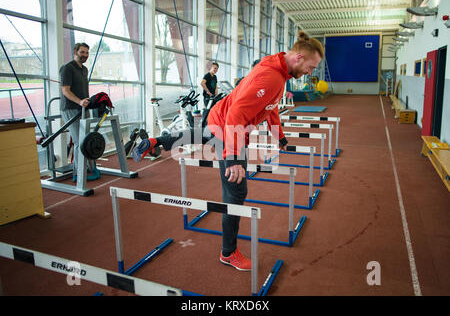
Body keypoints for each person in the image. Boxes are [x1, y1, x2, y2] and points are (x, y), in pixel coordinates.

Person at [133, 31, 324, 271]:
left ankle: (157, 141)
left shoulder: (278, 69)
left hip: (218, 120)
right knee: (236, 191)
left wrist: (280, 136)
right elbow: (237, 114)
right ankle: (228, 252)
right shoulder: (272, 77)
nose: (312, 71)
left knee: (202, 137)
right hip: (228, 128)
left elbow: (270, 107)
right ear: (298, 57)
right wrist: (233, 158)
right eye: (311, 66)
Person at [60, 42, 100, 182]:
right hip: (71, 108)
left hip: (83, 108)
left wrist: (87, 102)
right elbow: (65, 90)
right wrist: (79, 102)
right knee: (79, 141)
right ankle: (78, 173)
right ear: (75, 51)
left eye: (87, 53)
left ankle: (90, 167)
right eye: (82, 52)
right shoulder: (67, 68)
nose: (85, 55)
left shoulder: (84, 69)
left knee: (87, 140)